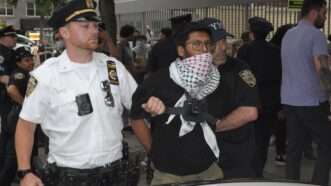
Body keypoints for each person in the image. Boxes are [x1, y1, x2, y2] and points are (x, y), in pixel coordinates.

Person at [15, 1, 137, 186]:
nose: (94, 31)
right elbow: (26, 124)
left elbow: (138, 105)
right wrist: (25, 171)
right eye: (85, 26)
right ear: (64, 32)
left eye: (96, 25)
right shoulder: (47, 75)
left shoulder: (112, 67)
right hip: (70, 175)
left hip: (116, 171)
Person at [130, 22, 224, 185]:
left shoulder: (215, 80)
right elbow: (136, 118)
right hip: (170, 175)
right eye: (196, 44)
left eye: (207, 44)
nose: (204, 50)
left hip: (209, 170)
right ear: (181, 50)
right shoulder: (158, 80)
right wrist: (153, 151)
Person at [198, 17, 259, 179]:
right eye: (217, 42)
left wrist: (213, 127)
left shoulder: (239, 69)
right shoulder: (193, 70)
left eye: (224, 39)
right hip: (203, 155)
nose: (224, 46)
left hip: (235, 153)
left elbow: (249, 112)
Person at [281, 0, 331, 185]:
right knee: (327, 144)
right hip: (312, 101)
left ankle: (291, 183)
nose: (325, 17)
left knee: (294, 149)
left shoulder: (288, 34)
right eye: (324, 13)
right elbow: (322, 69)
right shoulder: (316, 35)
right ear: (314, 12)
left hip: (289, 100)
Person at [237, 17, 281, 177]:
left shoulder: (245, 50)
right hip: (270, 101)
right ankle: (258, 172)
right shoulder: (276, 50)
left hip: (249, 101)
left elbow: (240, 76)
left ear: (252, 33)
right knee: (263, 139)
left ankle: (248, 171)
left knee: (248, 137)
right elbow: (279, 77)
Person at [0, 47, 34, 186]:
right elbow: (12, 90)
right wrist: (26, 105)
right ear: (18, 63)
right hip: (17, 117)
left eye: (31, 59)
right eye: (27, 60)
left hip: (13, 116)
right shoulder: (21, 74)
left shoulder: (24, 72)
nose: (31, 62)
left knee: (11, 151)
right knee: (14, 154)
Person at [0, 25, 17, 185]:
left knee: (7, 138)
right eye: (12, 37)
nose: (15, 39)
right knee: (8, 137)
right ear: (3, 37)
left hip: (10, 99)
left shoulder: (11, 53)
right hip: (5, 99)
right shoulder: (1, 53)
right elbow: (3, 77)